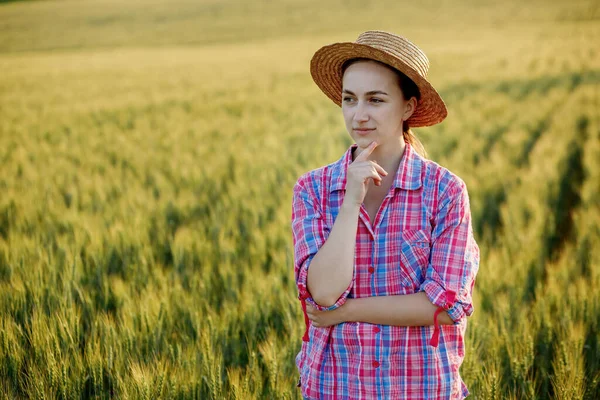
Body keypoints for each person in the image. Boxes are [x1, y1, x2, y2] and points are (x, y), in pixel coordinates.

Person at [291, 31, 481, 399]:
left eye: (375, 100)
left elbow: (445, 305)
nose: (358, 115)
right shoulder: (312, 189)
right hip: (336, 386)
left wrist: (345, 313)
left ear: (408, 107)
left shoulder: (444, 192)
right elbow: (324, 294)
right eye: (350, 99)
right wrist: (350, 202)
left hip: (420, 388)